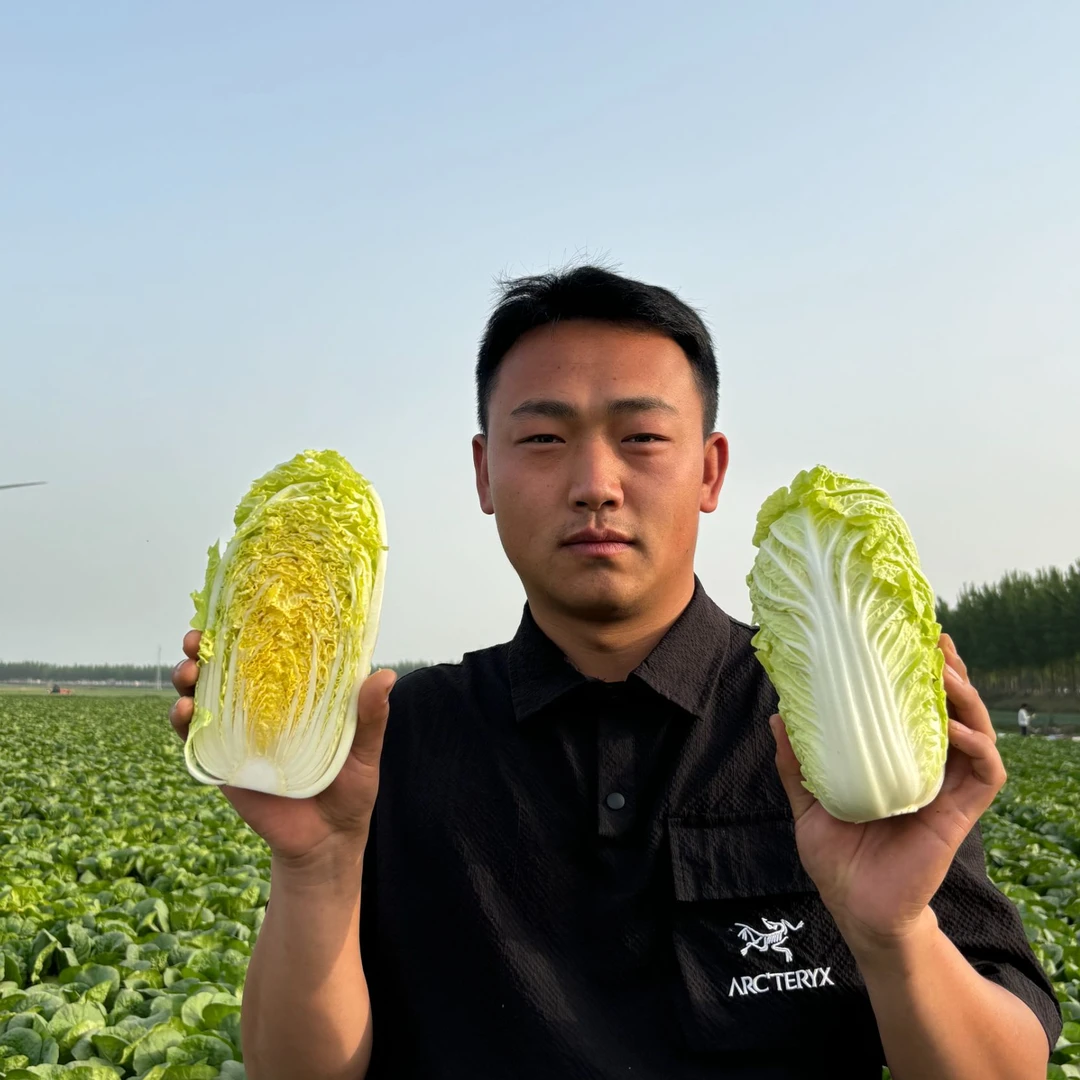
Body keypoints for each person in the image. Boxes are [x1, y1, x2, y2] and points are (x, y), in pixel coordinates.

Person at [170, 266, 1059, 1080]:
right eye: (545, 438)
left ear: (709, 470)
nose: (596, 483)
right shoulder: (392, 742)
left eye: (640, 436)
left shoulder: (830, 722)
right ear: (484, 473)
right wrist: (316, 868)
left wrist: (893, 931)